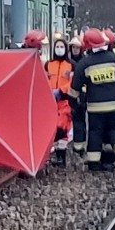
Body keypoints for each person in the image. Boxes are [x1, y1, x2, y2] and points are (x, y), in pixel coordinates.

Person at [68, 28, 115, 171]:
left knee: (95, 134)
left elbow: (75, 88)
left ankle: (94, 163)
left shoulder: (85, 63)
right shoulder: (113, 59)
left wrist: (74, 104)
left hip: (95, 109)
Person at [46, 38, 74, 168]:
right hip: (50, 101)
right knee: (52, 128)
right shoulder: (48, 64)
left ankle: (61, 159)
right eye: (57, 47)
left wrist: (61, 91)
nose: (59, 49)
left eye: (61, 46)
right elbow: (45, 78)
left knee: (63, 128)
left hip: (64, 101)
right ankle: (57, 156)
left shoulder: (71, 65)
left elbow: (72, 82)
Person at [68, 36, 87, 157]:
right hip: (67, 94)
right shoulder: (67, 61)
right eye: (73, 47)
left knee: (80, 121)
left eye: (77, 48)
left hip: (81, 95)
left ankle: (79, 147)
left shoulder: (84, 61)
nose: (75, 50)